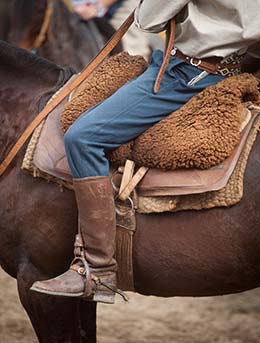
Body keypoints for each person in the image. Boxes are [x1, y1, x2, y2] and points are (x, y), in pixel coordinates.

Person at [31, 0, 260, 303]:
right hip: (231, 70)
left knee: (83, 138)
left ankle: (97, 268)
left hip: (184, 76)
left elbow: (149, 19)